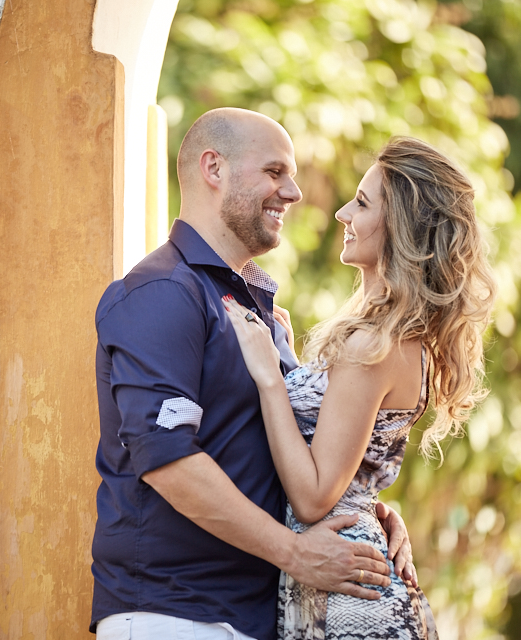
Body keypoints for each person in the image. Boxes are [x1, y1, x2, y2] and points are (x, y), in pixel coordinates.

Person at [90, 108, 416, 640]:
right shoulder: (161, 292)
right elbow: (166, 459)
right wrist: (295, 553)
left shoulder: (256, 310)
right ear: (213, 169)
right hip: (178, 614)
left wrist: (366, 513)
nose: (294, 192)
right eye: (274, 172)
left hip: (259, 614)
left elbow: (276, 451)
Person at [222, 136, 496, 639]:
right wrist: (288, 360)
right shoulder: (397, 339)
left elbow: (313, 496)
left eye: (364, 203)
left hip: (350, 596)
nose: (343, 213)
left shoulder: (373, 343)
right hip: (348, 568)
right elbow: (351, 465)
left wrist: (269, 377)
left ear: (403, 229)